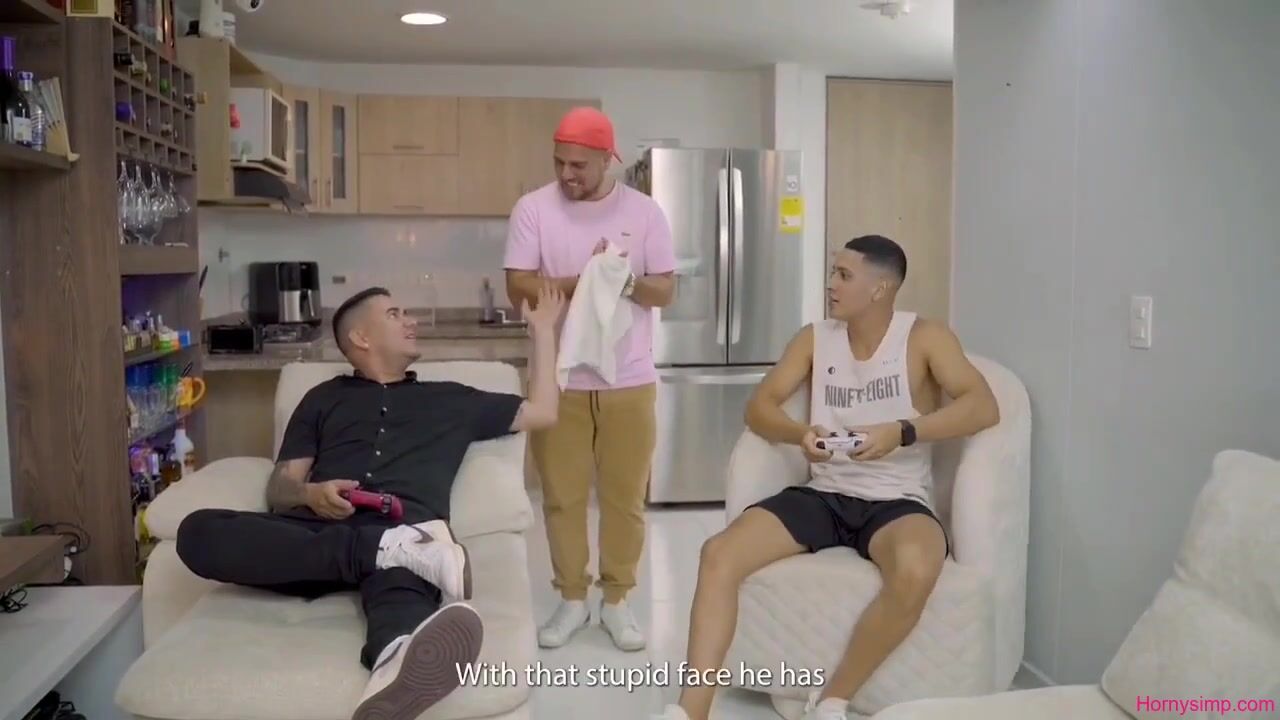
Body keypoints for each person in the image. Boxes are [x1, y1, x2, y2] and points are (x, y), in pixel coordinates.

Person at [174, 284, 565, 720]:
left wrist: (543, 331)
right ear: (361, 337)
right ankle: (383, 552)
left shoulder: (453, 400)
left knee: (402, 589)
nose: (411, 320)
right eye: (395, 314)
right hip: (318, 539)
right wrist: (310, 494)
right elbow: (281, 488)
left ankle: (393, 661)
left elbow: (544, 411)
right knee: (196, 532)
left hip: (405, 532)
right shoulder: (322, 398)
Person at [654, 235, 1001, 720]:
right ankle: (691, 710)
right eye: (832, 273)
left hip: (896, 500)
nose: (830, 285)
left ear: (880, 288)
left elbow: (983, 406)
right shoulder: (814, 338)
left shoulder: (925, 337)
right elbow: (759, 407)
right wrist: (800, 434)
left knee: (917, 570)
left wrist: (901, 432)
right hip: (824, 493)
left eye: (843, 275)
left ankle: (833, 699)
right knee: (718, 554)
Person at [503, 106, 677, 651]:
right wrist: (586, 280)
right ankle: (573, 599)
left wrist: (620, 280)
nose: (566, 174)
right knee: (562, 497)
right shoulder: (533, 209)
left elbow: (665, 290)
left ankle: (617, 601)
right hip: (557, 381)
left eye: (578, 165)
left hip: (630, 380)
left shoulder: (645, 213)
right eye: (559, 162)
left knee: (625, 499)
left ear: (608, 159)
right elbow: (517, 285)